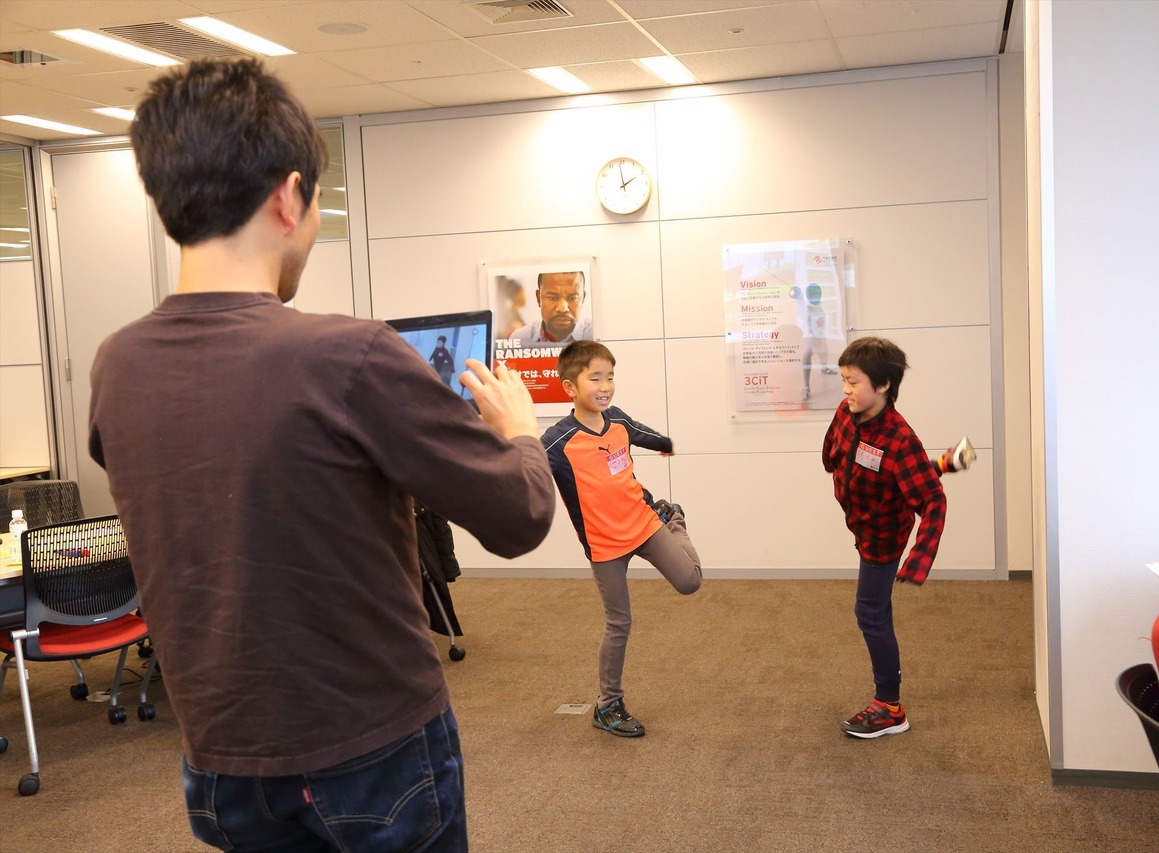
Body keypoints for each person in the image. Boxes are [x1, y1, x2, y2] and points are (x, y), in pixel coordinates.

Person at [88, 58, 556, 852]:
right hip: (370, 753)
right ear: (288, 196)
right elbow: (520, 516)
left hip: (221, 760)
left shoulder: (116, 363)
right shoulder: (349, 355)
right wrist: (518, 431)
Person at [541, 341, 702, 738]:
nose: (605, 386)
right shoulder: (558, 442)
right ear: (569, 387)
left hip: (644, 522)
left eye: (610, 377)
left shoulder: (617, 421)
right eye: (595, 378)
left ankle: (673, 518)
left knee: (690, 581)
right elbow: (520, 465)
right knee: (619, 623)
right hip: (604, 545)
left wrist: (666, 444)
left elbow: (644, 434)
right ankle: (608, 705)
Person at [820, 336, 947, 739]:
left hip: (883, 536)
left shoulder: (900, 440)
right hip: (862, 522)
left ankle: (890, 708)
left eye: (854, 382)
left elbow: (933, 501)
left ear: (883, 385)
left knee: (870, 613)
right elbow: (833, 451)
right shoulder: (846, 413)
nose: (846, 390)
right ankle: (938, 464)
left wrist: (918, 560)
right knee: (877, 611)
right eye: (844, 380)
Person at [509, 270, 590, 347]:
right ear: (538, 298)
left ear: (583, 298)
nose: (562, 308)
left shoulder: (594, 333)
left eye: (572, 298)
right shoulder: (520, 339)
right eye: (552, 298)